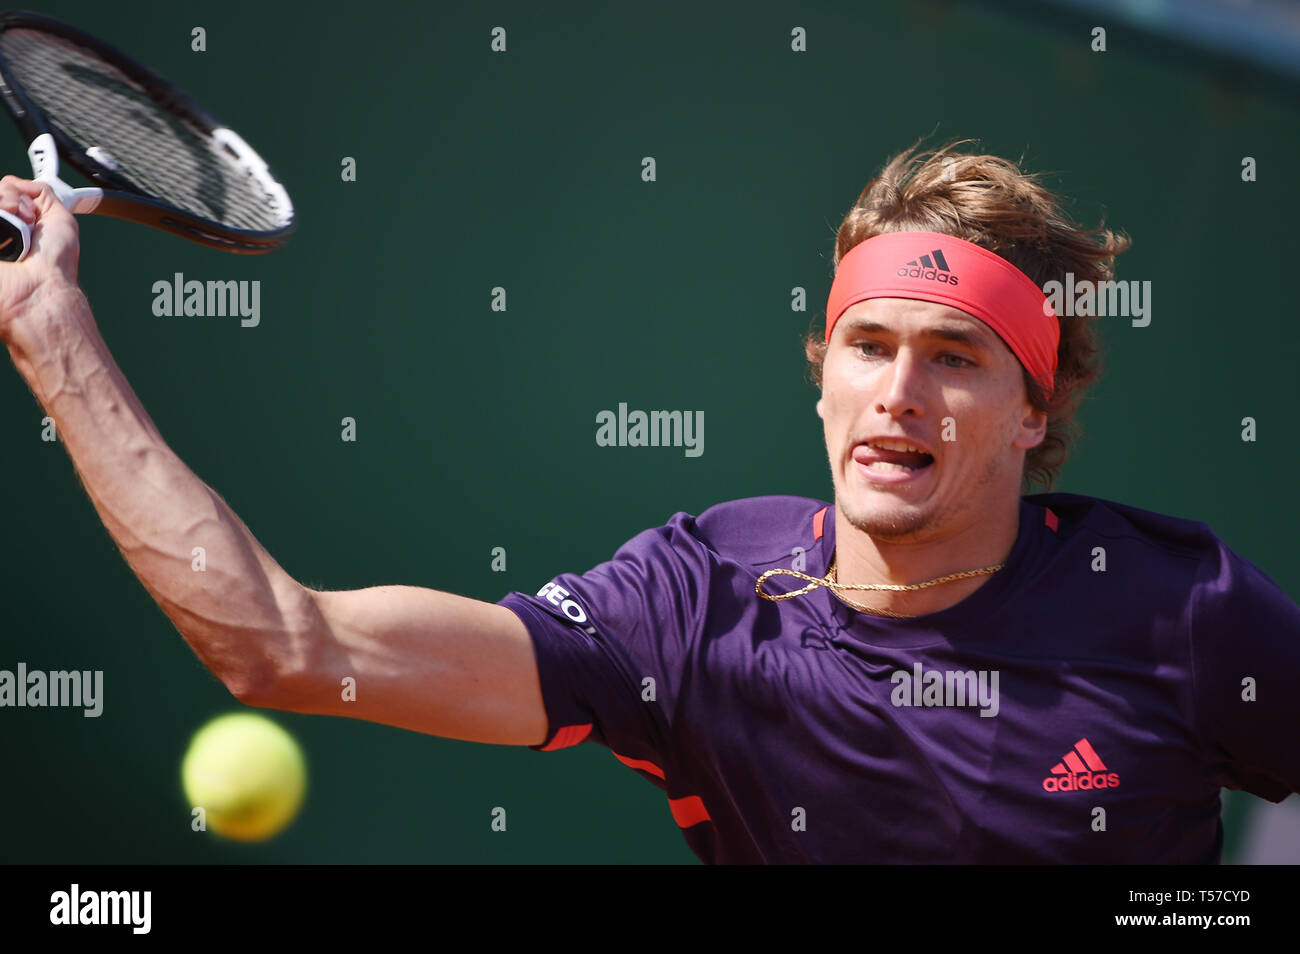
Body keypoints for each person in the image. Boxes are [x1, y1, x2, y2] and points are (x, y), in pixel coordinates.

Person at [3, 141, 1296, 864]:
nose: (900, 391)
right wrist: (51, 328)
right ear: (822, 377)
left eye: (954, 357)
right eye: (869, 344)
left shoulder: (1182, 609)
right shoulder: (700, 606)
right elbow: (285, 643)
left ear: (1032, 409)